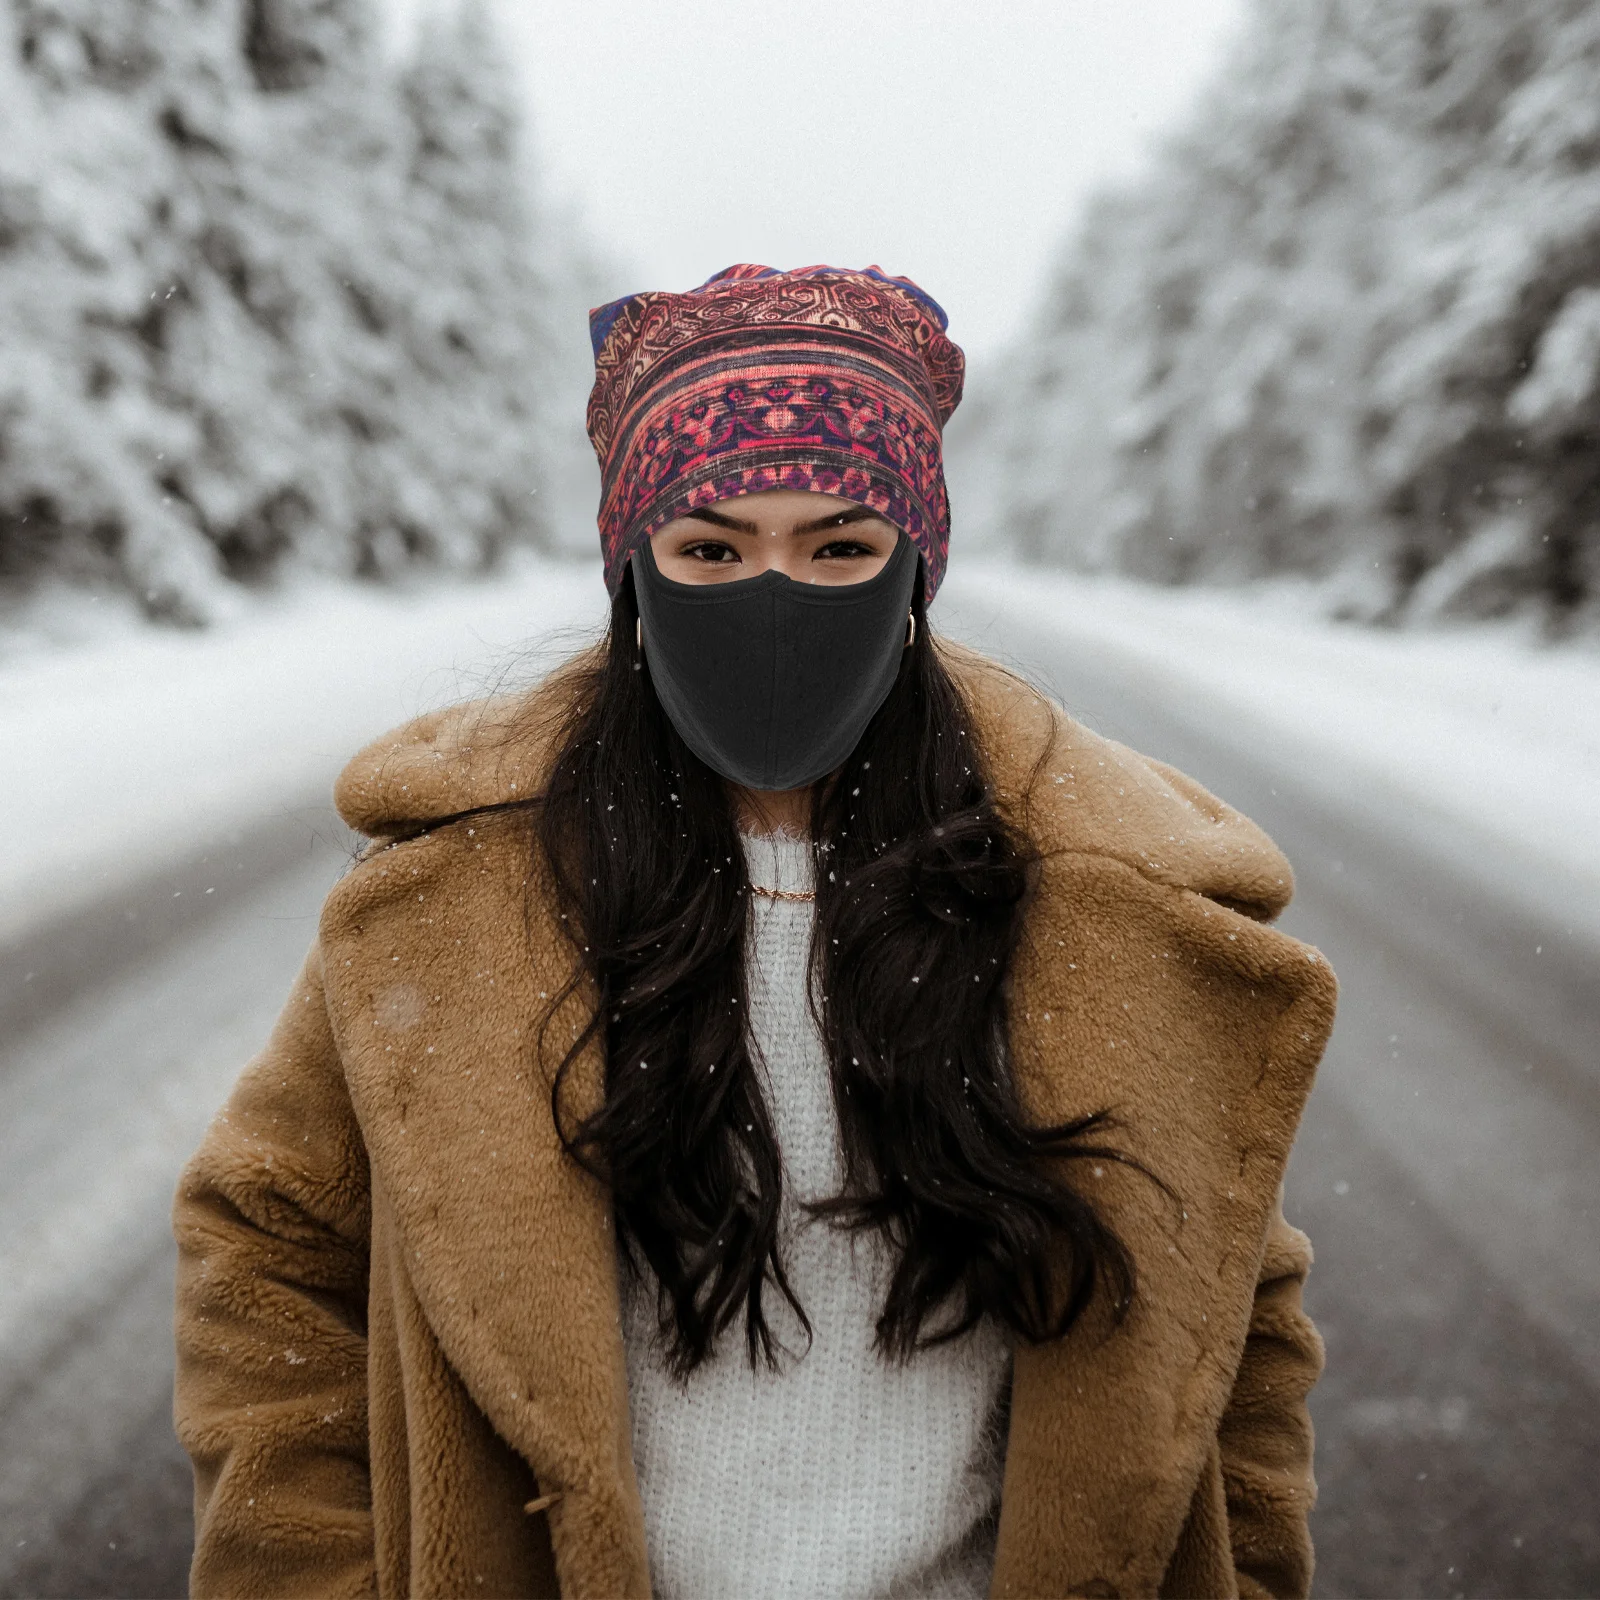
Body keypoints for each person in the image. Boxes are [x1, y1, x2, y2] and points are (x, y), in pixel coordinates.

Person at [172, 264, 1336, 1600]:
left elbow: (1229, 1317)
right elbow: (271, 1242)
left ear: (916, 571)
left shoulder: (1084, 899)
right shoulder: (471, 891)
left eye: (839, 548)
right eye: (712, 551)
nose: (776, 598)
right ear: (634, 569)